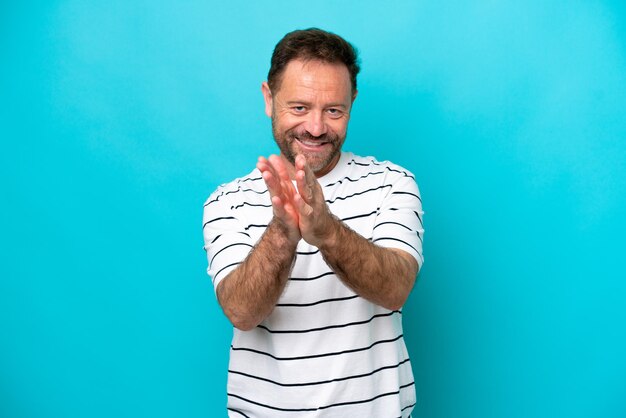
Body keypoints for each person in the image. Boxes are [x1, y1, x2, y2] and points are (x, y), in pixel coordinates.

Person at [203, 28, 424, 417]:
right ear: (269, 99)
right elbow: (241, 311)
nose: (317, 128)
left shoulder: (393, 183)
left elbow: (396, 288)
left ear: (352, 103)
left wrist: (326, 231)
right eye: (300, 108)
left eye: (333, 110)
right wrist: (283, 233)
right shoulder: (227, 202)